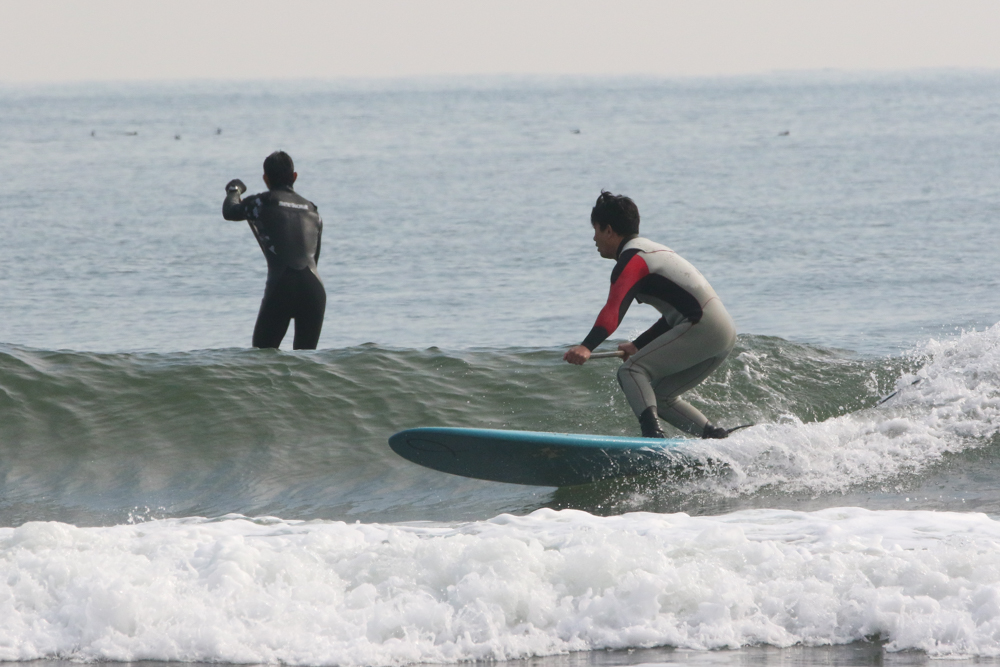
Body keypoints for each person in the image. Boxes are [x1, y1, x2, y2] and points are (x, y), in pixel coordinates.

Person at [564, 191, 737, 439]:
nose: (594, 238)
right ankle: (717, 437)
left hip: (702, 326)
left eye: (596, 230)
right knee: (661, 397)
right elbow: (676, 313)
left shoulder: (633, 260)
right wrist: (638, 344)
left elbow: (613, 311)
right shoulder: (653, 250)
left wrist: (586, 346)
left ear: (609, 230)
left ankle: (653, 437)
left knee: (631, 371)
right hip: (722, 331)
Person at [222, 151, 326, 350]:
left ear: (266, 179)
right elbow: (315, 257)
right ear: (294, 177)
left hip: (282, 286)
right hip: (313, 289)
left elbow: (230, 211)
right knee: (307, 364)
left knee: (263, 358)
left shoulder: (261, 203)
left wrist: (234, 190)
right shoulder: (313, 211)